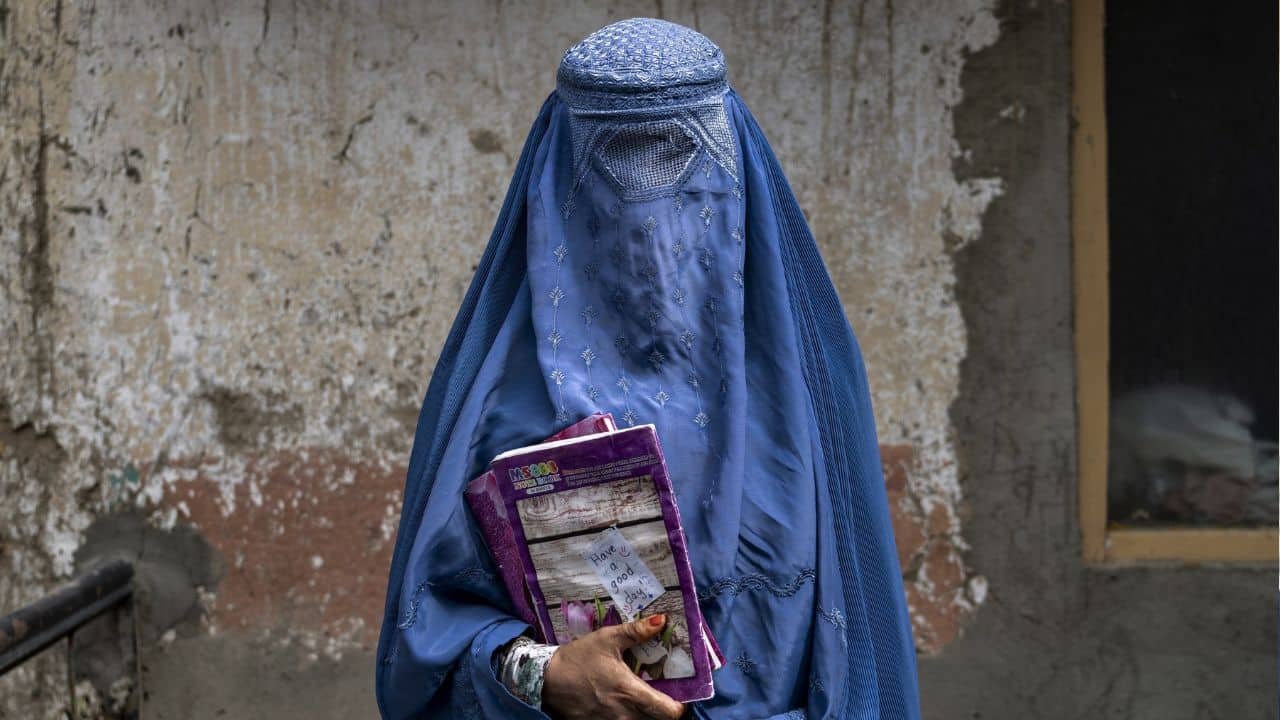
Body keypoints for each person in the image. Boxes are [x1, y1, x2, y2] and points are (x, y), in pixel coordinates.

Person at [376, 18, 921, 720]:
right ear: (557, 171)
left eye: (677, 155)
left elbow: (862, 662)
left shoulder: (808, 396)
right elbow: (423, 649)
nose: (647, 216)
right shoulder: (492, 398)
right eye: (612, 159)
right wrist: (545, 675)